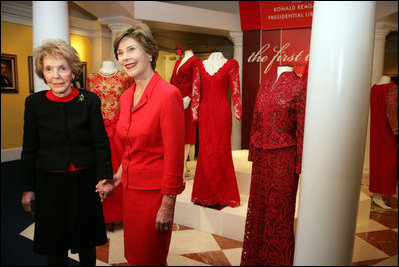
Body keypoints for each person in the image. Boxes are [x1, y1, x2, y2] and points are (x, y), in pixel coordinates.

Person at [19, 39, 114, 266]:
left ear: (73, 70)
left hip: (85, 182)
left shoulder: (89, 100)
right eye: (49, 69)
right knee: (56, 244)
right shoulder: (34, 103)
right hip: (50, 183)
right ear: (42, 72)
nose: (56, 75)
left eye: (62, 68)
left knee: (86, 241)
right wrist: (27, 188)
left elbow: (100, 143)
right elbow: (29, 149)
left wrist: (105, 177)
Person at [97, 23, 185, 266]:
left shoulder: (168, 95)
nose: (125, 58)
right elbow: (130, 149)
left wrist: (167, 203)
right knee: (134, 255)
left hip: (155, 195)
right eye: (120, 53)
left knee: (151, 257)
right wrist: (116, 178)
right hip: (131, 191)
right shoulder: (126, 97)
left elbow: (175, 155)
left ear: (149, 52)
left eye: (131, 50)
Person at [241, 65, 306, 266]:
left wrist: (300, 164)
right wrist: (253, 152)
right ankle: (257, 258)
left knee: (280, 214)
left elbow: (303, 126)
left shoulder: (300, 84)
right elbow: (256, 119)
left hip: (284, 159)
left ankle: (279, 261)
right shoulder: (265, 84)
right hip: (261, 157)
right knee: (259, 209)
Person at [190, 51, 242, 209]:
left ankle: (222, 193)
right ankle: (205, 193)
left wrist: (238, 110)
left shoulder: (232, 65)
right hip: (205, 112)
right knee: (205, 150)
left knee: (221, 149)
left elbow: (235, 90)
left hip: (222, 111)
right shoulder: (199, 65)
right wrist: (194, 112)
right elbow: (195, 91)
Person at [87, 60, 134, 225]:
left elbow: (129, 102)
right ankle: (99, 212)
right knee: (97, 169)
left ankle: (120, 212)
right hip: (96, 129)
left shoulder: (125, 77)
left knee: (118, 170)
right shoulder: (91, 78)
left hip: (117, 129)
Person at [170, 49, 201, 178]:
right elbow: (173, 80)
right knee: (177, 134)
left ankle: (182, 168)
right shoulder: (178, 62)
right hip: (177, 100)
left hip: (187, 102)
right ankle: (181, 167)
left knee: (187, 135)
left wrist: (190, 97)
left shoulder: (196, 61)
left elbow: (197, 81)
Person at [369, 75, 398, 209]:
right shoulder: (392, 89)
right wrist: (396, 130)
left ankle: (376, 194)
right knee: (387, 164)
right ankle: (378, 195)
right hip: (387, 132)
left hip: (376, 131)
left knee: (377, 163)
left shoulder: (373, 89)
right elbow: (391, 112)